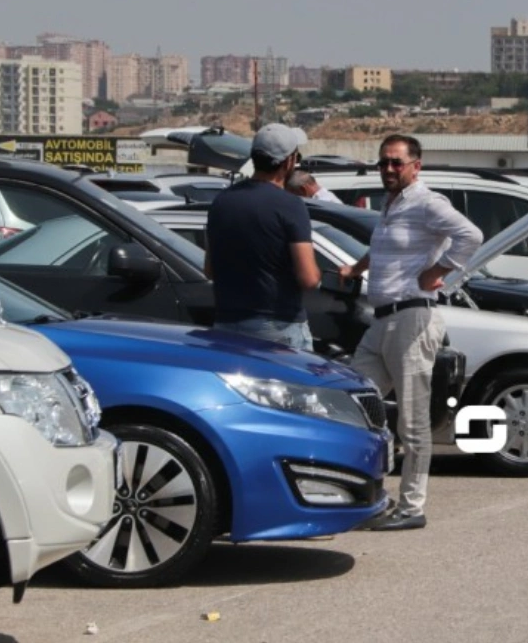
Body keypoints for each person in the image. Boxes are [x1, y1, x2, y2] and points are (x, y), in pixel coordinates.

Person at [339, 134, 482, 530]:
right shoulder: (391, 204)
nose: (387, 169)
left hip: (414, 318)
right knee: (356, 403)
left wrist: (439, 271)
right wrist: (356, 268)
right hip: (382, 319)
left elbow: (471, 235)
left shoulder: (427, 202)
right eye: (383, 162)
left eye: (396, 163)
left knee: (413, 421)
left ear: (416, 166)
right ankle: (370, 496)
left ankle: (411, 507)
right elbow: (385, 248)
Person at [204, 124, 320, 349]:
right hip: (277, 327)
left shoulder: (221, 202)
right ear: (288, 162)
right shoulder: (290, 204)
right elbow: (309, 277)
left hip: (226, 324)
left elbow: (209, 269)